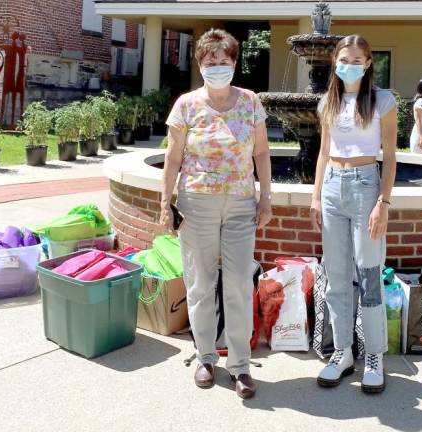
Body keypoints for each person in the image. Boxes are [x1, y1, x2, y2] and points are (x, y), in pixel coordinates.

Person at [159, 29, 273, 400]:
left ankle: (240, 365)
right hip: (197, 204)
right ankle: (205, 356)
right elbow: (173, 158)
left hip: (241, 204)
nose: (218, 67)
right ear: (200, 64)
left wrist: (265, 198)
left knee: (239, 283)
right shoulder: (186, 105)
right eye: (211, 62)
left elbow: (261, 154)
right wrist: (165, 202)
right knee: (200, 283)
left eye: (224, 62)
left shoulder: (251, 102)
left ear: (234, 63)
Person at [310, 34, 397, 394]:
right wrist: (315, 197)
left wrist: (383, 202)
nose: (349, 64)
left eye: (357, 59)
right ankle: (343, 351)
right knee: (337, 274)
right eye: (343, 58)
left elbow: (390, 156)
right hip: (332, 186)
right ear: (335, 62)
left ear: (368, 63)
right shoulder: (327, 103)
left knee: (369, 271)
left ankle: (374, 355)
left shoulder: (382, 101)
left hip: (365, 187)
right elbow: (323, 152)